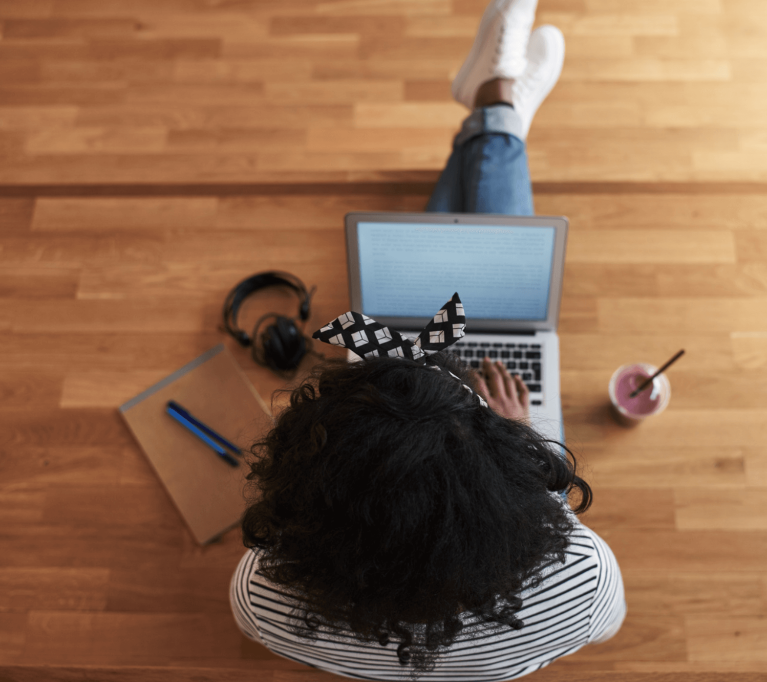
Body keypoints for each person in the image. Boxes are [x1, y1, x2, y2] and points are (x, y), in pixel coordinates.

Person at [230, 0, 626, 679]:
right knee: (484, 267)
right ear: (494, 494)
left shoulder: (266, 595)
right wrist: (523, 448)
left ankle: (493, 106)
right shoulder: (578, 579)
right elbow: (604, 624)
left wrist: (492, 447)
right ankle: (495, 105)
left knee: (427, 279)